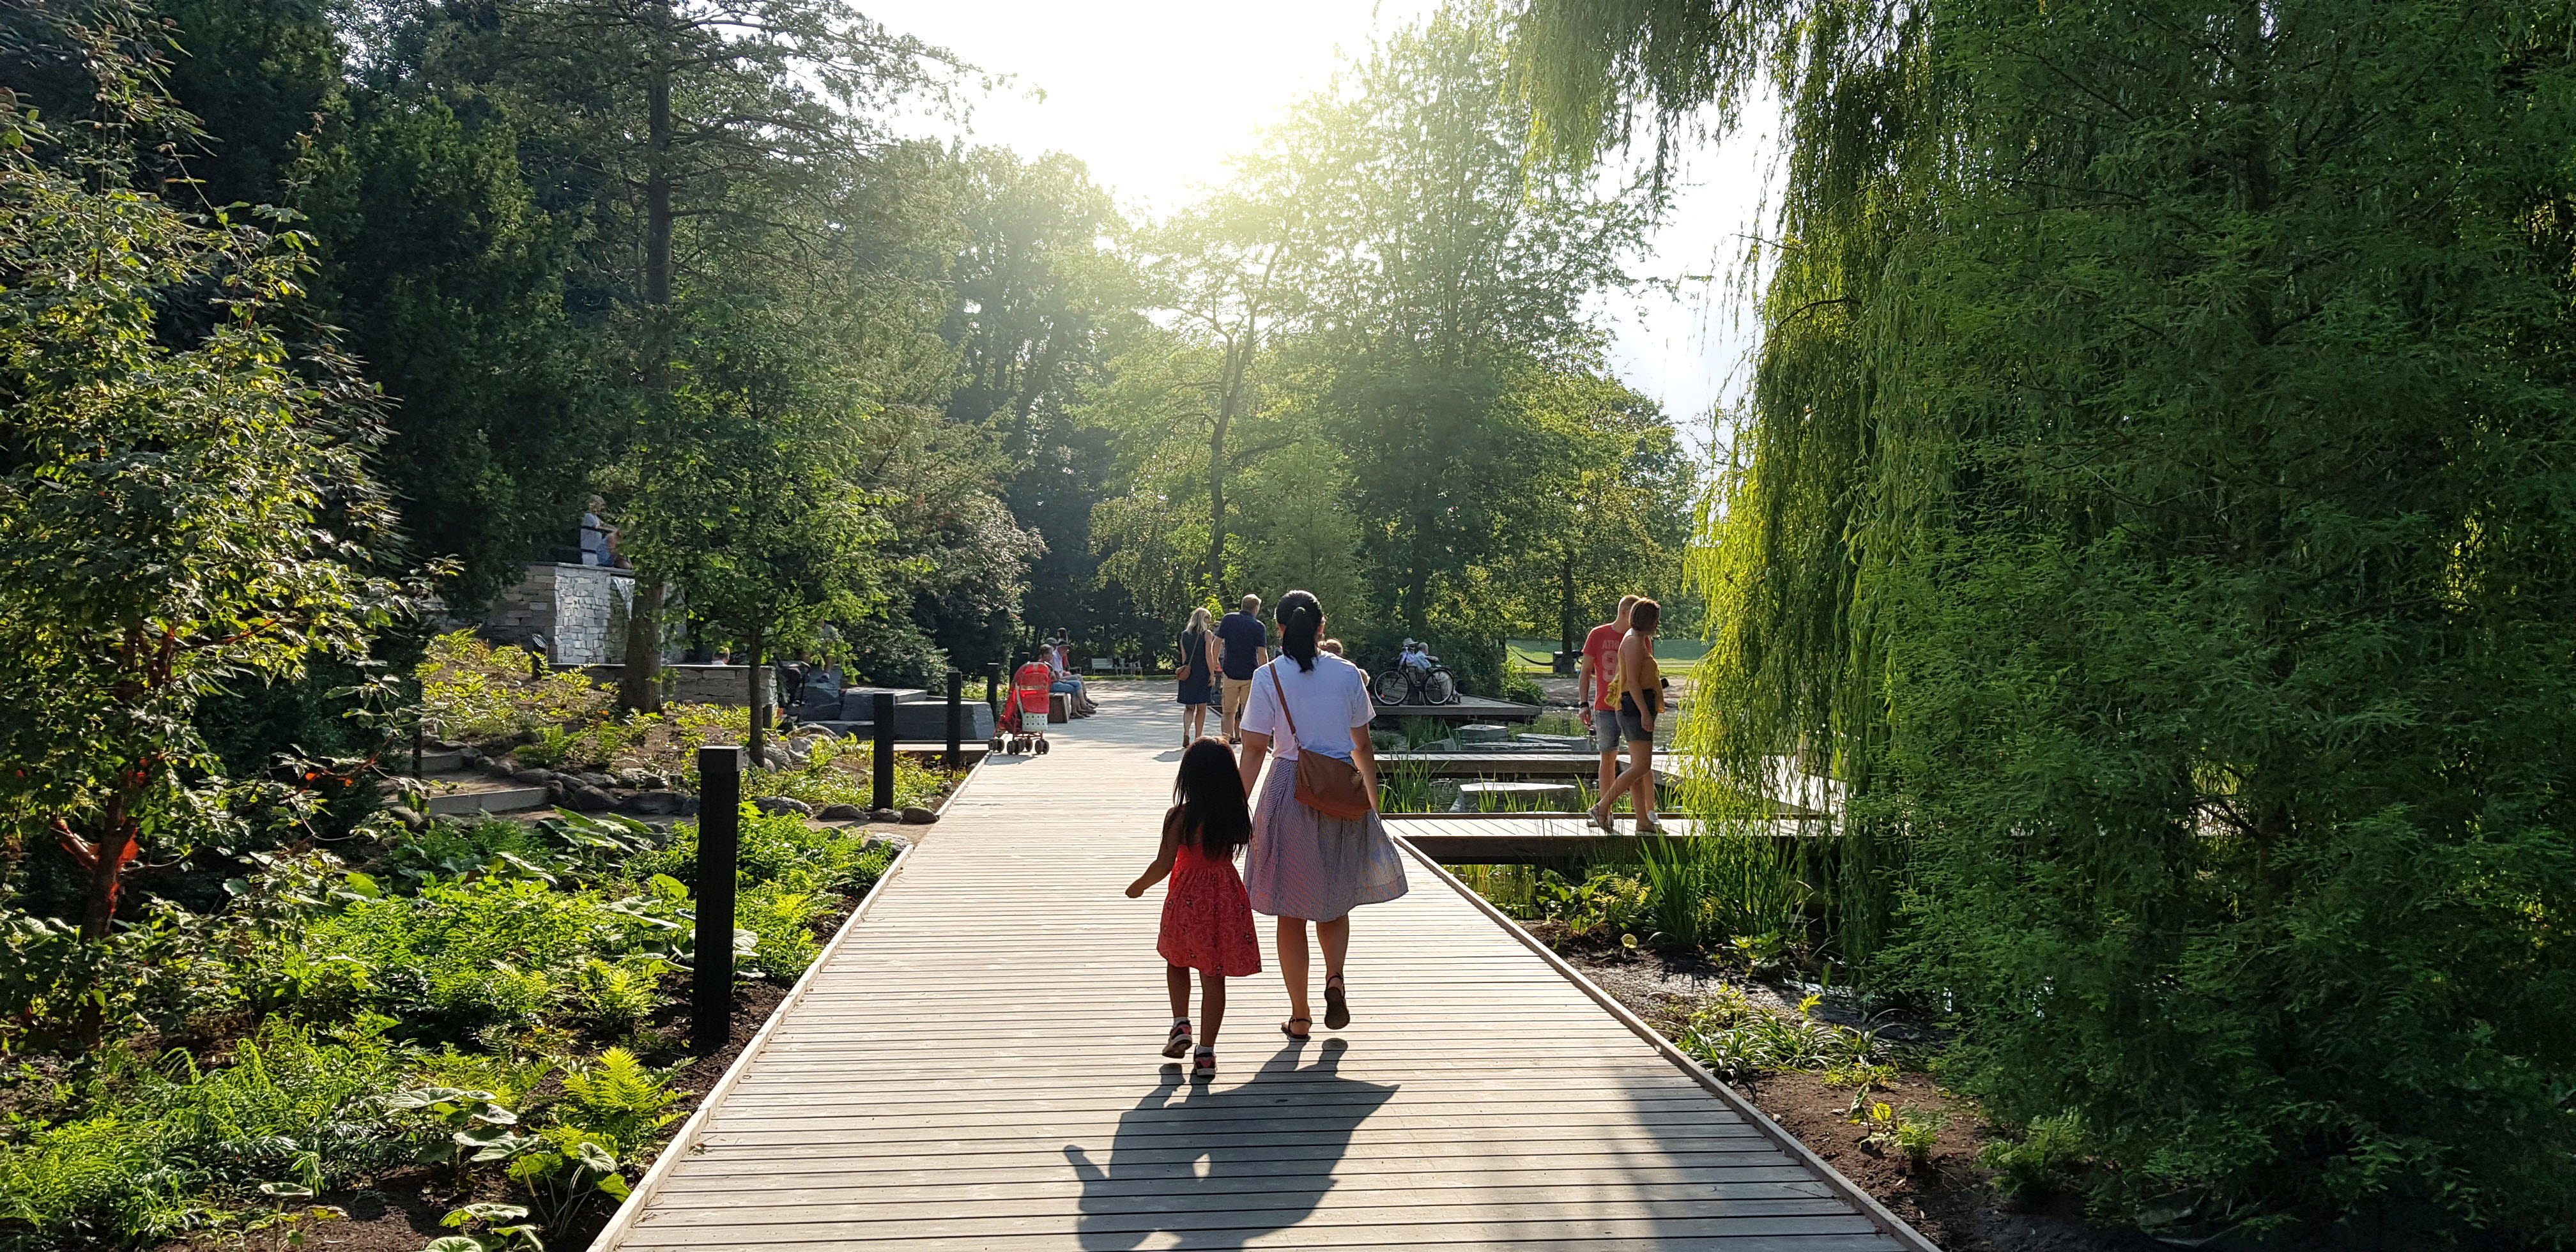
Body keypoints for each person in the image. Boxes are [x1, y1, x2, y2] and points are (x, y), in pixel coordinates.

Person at [1236, 590, 1408, 1041]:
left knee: (1289, 910)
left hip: (1289, 790)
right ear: (1321, 627)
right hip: (1340, 793)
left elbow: (1254, 749)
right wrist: (1371, 802)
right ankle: (1335, 977)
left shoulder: (1268, 677)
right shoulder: (1348, 674)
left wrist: (1237, 806)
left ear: (1278, 629)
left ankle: (1300, 1016)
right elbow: (1362, 746)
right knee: (1334, 900)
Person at [1126, 738, 1261, 1079]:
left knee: (1176, 959)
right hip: (1224, 897)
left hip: (1187, 897)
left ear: (1188, 776)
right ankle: (1206, 1054)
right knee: (1213, 976)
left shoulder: (1180, 817)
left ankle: (1180, 1024)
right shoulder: (1234, 813)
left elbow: (1164, 864)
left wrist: (1140, 885)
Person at [1602, 597, 1665, 833]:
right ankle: (1601, 807)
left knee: (1639, 769)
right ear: (1647, 620)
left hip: (1636, 708)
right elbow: (1632, 683)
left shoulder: (1637, 639)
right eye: (1656, 620)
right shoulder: (1633, 643)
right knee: (1641, 766)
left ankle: (1643, 822)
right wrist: (1645, 714)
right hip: (1634, 709)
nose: (1658, 624)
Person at [1580, 595, 1639, 827]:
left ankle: (1644, 814)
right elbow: (1586, 671)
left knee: (1638, 761)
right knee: (1607, 757)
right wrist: (1583, 704)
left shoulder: (1639, 636)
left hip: (1631, 706)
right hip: (1605, 707)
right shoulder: (1598, 634)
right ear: (1624, 613)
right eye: (1634, 614)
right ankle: (1605, 813)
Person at [1215, 594, 1269, 744]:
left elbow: (1217, 642)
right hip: (1250, 675)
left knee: (1228, 712)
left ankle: (1226, 741)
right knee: (1248, 712)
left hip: (1230, 673)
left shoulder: (1228, 619)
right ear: (1256, 608)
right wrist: (1265, 673)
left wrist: (1215, 662)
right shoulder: (1259, 626)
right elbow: (1262, 653)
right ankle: (1246, 742)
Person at [1176, 608, 1220, 746]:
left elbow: (1184, 657)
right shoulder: (1207, 634)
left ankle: (1186, 732)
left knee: (1189, 707)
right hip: (1202, 673)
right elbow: (1208, 655)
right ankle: (1198, 738)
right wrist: (1212, 673)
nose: (1210, 622)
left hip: (1188, 673)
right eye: (1208, 619)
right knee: (1202, 707)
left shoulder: (1184, 635)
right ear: (1203, 619)